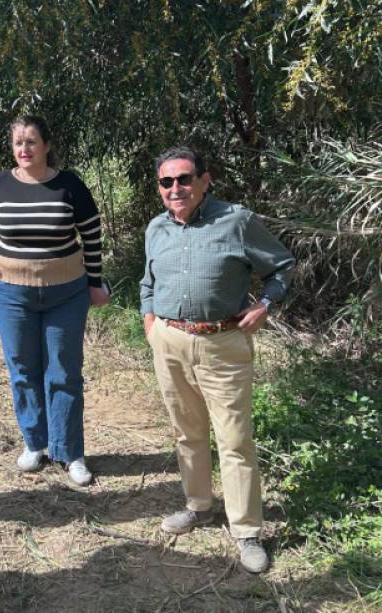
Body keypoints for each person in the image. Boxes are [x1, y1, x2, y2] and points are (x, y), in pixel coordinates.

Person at [140, 146, 295, 573]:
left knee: (234, 441)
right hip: (169, 343)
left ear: (204, 181)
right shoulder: (156, 228)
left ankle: (247, 532)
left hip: (223, 343)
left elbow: (281, 265)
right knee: (186, 433)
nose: (176, 188)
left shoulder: (237, 220)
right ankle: (199, 506)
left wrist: (265, 303)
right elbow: (147, 281)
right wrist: (150, 321)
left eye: (185, 178)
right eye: (166, 181)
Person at [0, 115, 110, 486]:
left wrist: (95, 283)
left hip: (67, 293)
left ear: (46, 145)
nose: (24, 149)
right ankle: (35, 443)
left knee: (64, 371)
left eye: (31, 142)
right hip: (11, 294)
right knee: (23, 370)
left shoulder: (69, 185)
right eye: (18, 143)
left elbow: (91, 236)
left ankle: (70, 450)